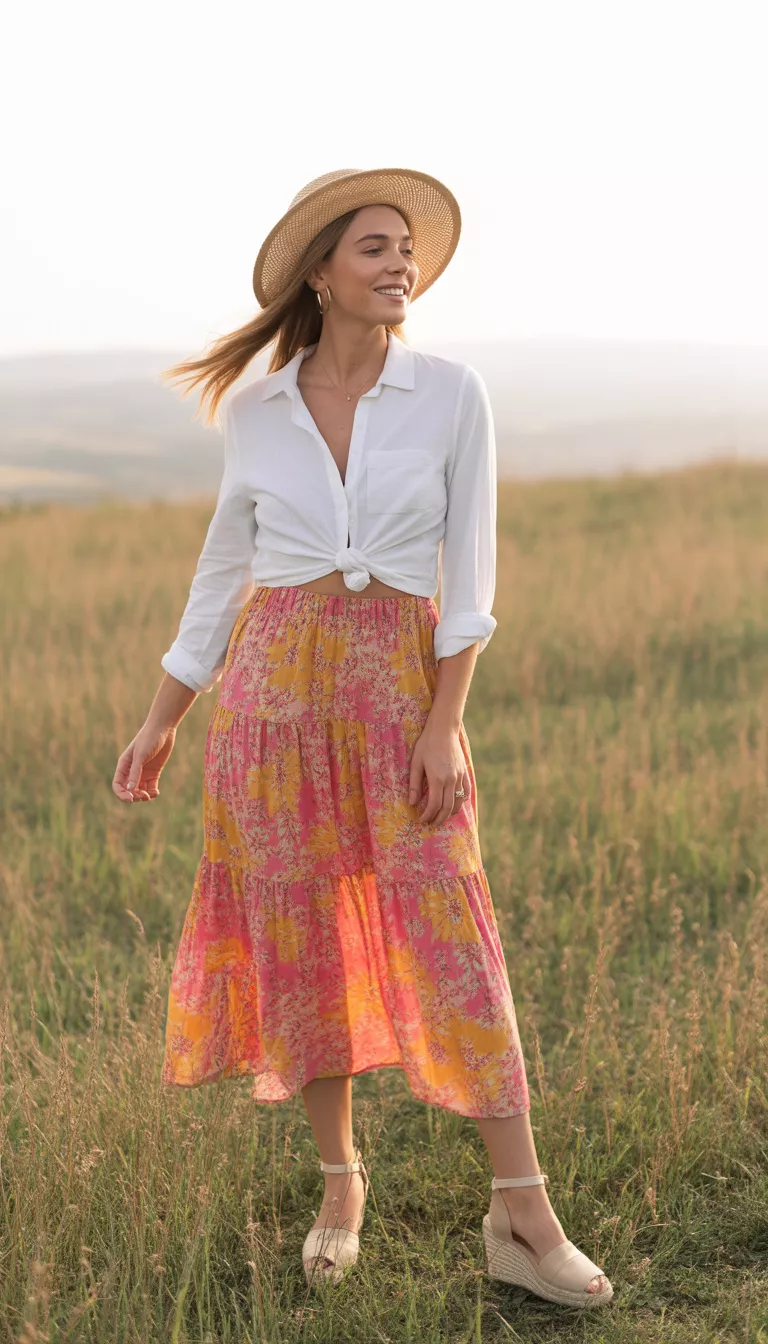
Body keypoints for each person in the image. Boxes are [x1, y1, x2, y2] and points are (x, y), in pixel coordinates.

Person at [112, 168, 613, 1307]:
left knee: (451, 929)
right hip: (272, 706)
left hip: (400, 692)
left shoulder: (450, 392)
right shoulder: (257, 409)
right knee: (304, 945)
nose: (402, 267)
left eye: (410, 252)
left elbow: (469, 578)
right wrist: (162, 718)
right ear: (321, 273)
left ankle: (522, 1211)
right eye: (377, 249)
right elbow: (223, 573)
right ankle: (340, 1181)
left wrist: (448, 721)